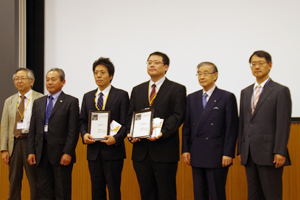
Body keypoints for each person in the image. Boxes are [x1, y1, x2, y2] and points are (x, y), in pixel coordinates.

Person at [127, 51, 186, 200]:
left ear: (166, 67)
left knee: (166, 193)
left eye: (156, 62)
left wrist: (162, 132)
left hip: (164, 150)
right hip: (141, 152)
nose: (152, 65)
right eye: (149, 62)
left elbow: (178, 115)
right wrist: (131, 134)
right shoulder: (137, 89)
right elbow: (130, 116)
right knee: (146, 193)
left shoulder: (177, 89)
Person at [237, 50, 292, 200]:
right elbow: (243, 122)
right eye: (253, 64)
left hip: (270, 153)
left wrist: (280, 151)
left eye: (260, 63)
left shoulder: (280, 91)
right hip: (249, 153)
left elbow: (283, 123)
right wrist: (241, 149)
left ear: (270, 65)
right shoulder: (245, 92)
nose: (256, 67)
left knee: (272, 194)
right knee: (253, 195)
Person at [182, 62, 238, 200]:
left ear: (215, 75)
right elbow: (187, 127)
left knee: (216, 193)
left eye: (206, 73)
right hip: (196, 153)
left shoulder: (226, 97)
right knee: (199, 194)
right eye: (199, 73)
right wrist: (185, 150)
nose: (202, 76)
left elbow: (231, 128)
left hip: (217, 154)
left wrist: (228, 153)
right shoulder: (192, 98)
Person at [79, 57, 129, 200]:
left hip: (113, 151)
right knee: (96, 189)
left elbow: (126, 123)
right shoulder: (88, 96)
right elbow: (82, 121)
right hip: (93, 151)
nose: (98, 76)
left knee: (113, 190)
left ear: (111, 75)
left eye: (102, 72)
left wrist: (116, 138)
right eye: (96, 73)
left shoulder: (121, 95)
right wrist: (84, 135)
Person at [27, 68, 79, 200]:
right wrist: (31, 151)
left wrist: (68, 152)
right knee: (43, 191)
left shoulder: (71, 101)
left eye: (53, 79)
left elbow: (73, 130)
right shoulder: (38, 102)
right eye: (47, 80)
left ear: (63, 82)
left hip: (61, 154)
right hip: (41, 153)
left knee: (62, 191)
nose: (49, 82)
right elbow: (33, 129)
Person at [1, 68, 43, 200]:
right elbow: (5, 127)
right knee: (14, 181)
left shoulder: (40, 98)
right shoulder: (10, 101)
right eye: (16, 79)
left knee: (35, 181)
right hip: (15, 144)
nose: (19, 81)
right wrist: (4, 149)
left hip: (32, 145)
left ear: (32, 81)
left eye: (23, 78)